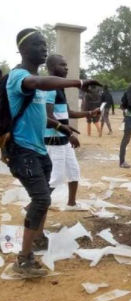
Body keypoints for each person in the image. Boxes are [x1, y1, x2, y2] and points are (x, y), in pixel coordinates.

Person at [4, 28, 100, 277]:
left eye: (45, 44)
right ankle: (23, 260)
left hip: (38, 149)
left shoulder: (38, 84)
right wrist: (77, 82)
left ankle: (36, 238)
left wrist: (63, 127)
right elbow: (37, 82)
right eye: (38, 44)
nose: (44, 48)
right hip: (22, 150)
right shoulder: (19, 77)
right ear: (23, 49)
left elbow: (43, 117)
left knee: (44, 195)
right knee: (42, 199)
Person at [44, 54, 99, 210]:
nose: (66, 68)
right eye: (63, 65)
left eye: (66, 65)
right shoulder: (50, 89)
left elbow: (68, 112)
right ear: (53, 68)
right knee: (56, 178)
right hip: (54, 141)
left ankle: (71, 204)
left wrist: (89, 113)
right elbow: (47, 117)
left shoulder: (60, 88)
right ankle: (33, 207)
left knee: (74, 171)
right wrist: (69, 134)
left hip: (63, 140)